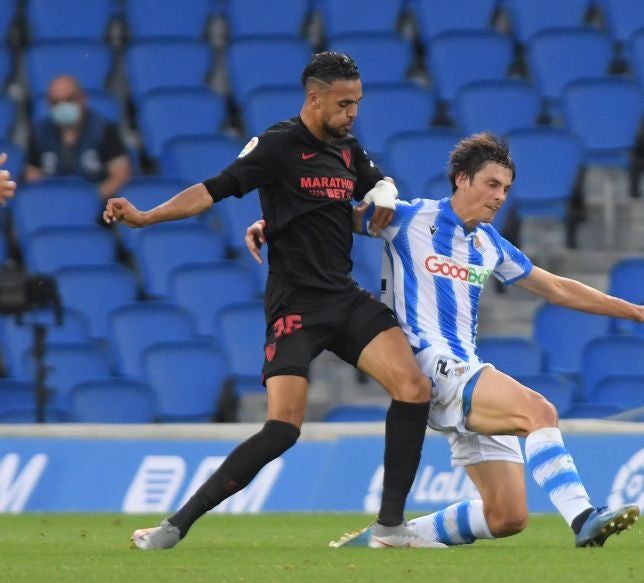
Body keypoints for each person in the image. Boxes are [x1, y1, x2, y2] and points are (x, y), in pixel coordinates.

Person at [246, 133, 644, 548]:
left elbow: (556, 287)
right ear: (462, 179)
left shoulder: (490, 244)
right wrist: (272, 224)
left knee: (507, 517)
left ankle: (383, 538)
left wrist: (638, 311)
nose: (499, 196)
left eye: (506, 189)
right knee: (538, 411)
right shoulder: (408, 217)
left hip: (463, 368)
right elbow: (327, 219)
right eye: (492, 184)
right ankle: (583, 518)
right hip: (426, 364)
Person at [104, 52, 441, 550]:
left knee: (414, 388)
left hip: (344, 298)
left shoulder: (348, 148)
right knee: (283, 428)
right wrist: (147, 217)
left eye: (358, 103)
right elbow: (214, 189)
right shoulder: (278, 145)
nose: (353, 114)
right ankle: (174, 526)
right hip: (296, 307)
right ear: (314, 98)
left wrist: (384, 193)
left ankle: (390, 527)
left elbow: (377, 184)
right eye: (344, 104)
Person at [25, 75, 131, 199]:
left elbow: (121, 175)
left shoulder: (104, 129)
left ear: (82, 99)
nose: (62, 106)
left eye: (69, 100)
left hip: (98, 206)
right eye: (55, 102)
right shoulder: (39, 132)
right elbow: (33, 176)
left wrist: (88, 200)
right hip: (53, 205)